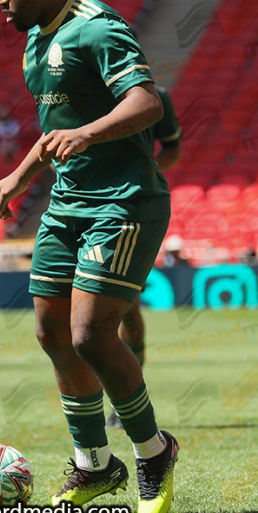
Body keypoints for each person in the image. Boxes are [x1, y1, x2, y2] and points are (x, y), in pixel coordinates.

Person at [0, 0, 178, 513]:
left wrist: (89, 133)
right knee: (49, 333)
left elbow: (147, 101)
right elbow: (56, 127)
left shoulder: (98, 28)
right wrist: (20, 176)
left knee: (90, 334)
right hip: (67, 203)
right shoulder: (35, 40)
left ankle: (153, 452)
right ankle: (96, 467)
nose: (0, 0)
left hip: (122, 201)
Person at [108, 85, 181, 429]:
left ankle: (125, 396)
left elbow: (173, 147)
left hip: (130, 208)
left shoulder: (156, 96)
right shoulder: (76, 89)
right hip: (81, 204)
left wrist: (147, 168)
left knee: (125, 305)